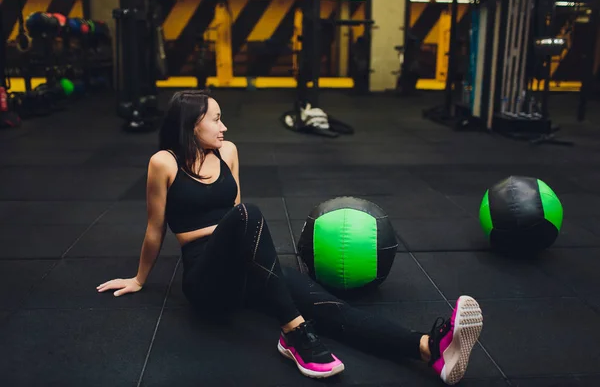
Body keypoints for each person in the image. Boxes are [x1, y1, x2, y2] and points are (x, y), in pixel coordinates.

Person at [96, 90, 483, 385]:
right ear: (192, 123)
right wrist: (139, 279)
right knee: (249, 214)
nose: (224, 127)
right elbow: (155, 227)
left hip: (242, 267)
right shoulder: (163, 162)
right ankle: (294, 335)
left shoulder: (227, 152)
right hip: (204, 279)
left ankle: (429, 349)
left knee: (332, 308)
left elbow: (238, 222)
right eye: (215, 119)